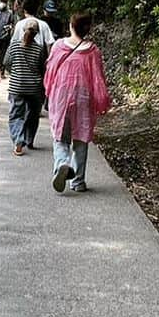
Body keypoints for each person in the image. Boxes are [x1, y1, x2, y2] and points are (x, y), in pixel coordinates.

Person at [43, 11, 110, 193]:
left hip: (61, 96)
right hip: (83, 98)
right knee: (81, 139)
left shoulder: (58, 46)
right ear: (88, 29)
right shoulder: (92, 51)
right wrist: (101, 101)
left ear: (71, 26)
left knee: (60, 138)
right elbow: (97, 79)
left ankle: (62, 164)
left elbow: (50, 71)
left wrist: (48, 90)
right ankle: (78, 181)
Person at [2, 18, 47, 155]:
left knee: (16, 115)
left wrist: (15, 72)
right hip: (34, 87)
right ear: (37, 33)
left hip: (17, 86)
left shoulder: (14, 45)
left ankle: (18, 141)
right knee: (32, 115)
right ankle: (29, 139)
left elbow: (7, 62)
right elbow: (41, 68)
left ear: (23, 30)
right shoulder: (39, 49)